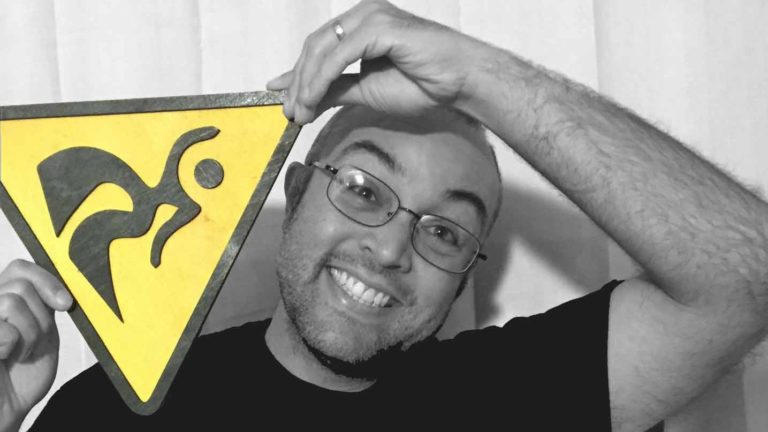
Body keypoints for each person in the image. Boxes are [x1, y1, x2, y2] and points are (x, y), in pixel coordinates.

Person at [1, 1, 766, 430]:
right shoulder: (111, 411)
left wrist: (479, 78)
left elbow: (746, 280)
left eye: (446, 231)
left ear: (466, 272)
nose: (394, 247)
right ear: (297, 192)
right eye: (364, 190)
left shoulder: (509, 397)